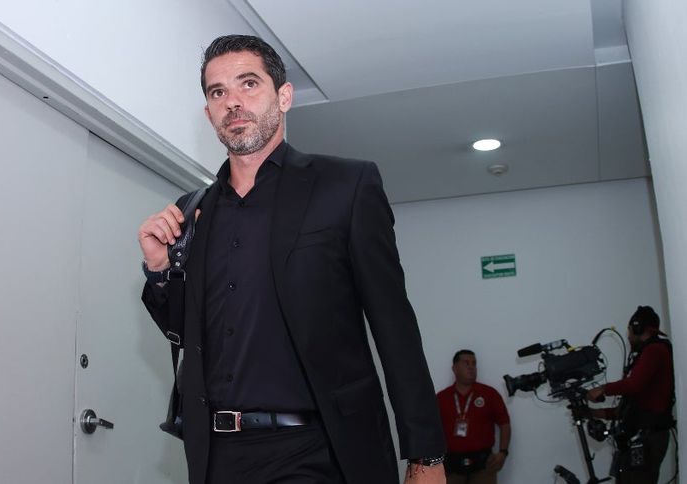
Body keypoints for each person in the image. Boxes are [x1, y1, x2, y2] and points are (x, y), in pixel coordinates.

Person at [138, 34, 445, 484]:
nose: (232, 102)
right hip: (218, 457)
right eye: (218, 92)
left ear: (283, 96)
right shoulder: (193, 210)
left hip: (321, 452)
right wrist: (160, 270)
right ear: (209, 114)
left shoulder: (346, 186)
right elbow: (189, 335)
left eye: (248, 84)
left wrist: (426, 456)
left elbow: (394, 326)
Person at [585, 306, 675, 484]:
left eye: (629, 329)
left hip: (648, 438)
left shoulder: (654, 350)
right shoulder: (646, 354)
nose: (628, 335)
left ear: (638, 328)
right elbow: (625, 410)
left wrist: (603, 389)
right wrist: (590, 413)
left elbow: (633, 385)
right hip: (640, 436)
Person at [436, 350, 510, 484]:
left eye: (474, 363)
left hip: (484, 466)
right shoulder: (441, 398)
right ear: (454, 368)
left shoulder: (489, 394)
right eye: (466, 363)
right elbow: (430, 430)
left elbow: (504, 423)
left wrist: (503, 452)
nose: (471, 367)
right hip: (451, 467)